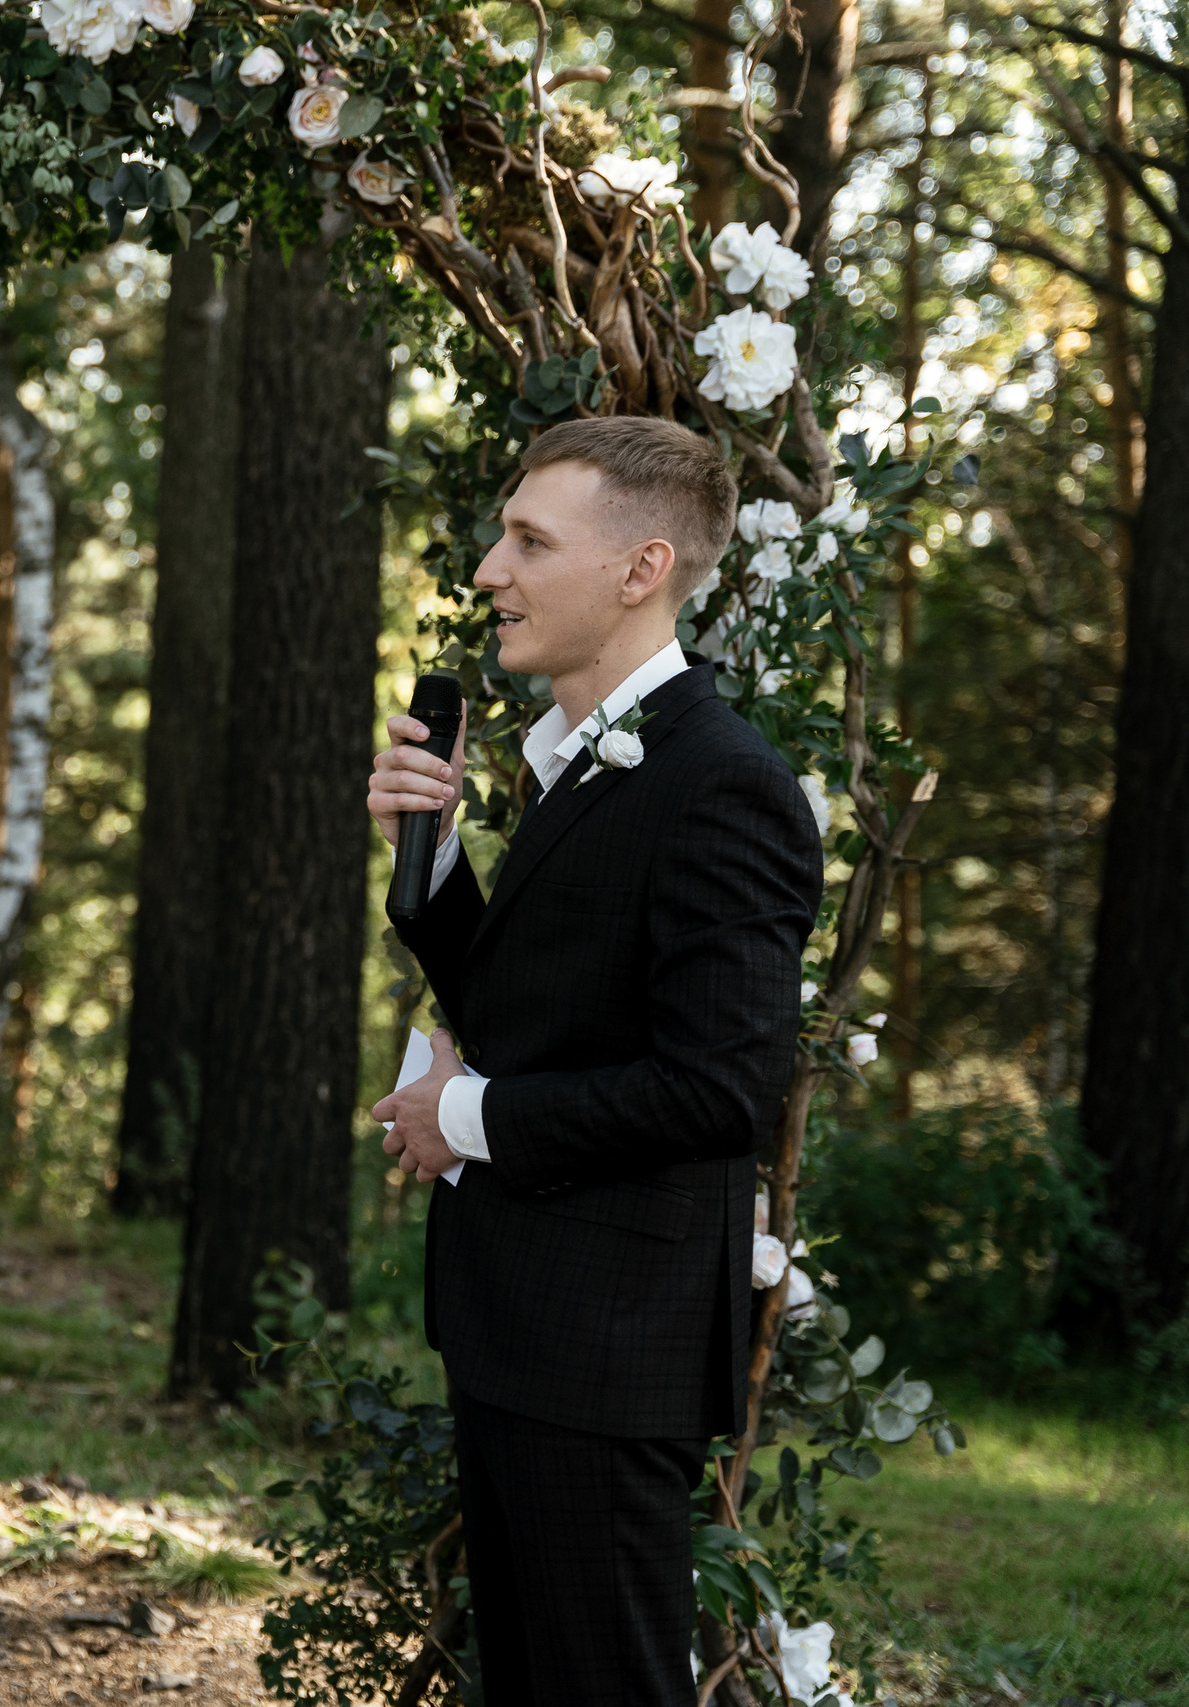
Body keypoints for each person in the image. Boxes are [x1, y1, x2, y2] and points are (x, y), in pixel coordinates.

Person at [364, 417, 821, 1705]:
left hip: (608, 1348)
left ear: (641, 569)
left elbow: (722, 1087)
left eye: (528, 541)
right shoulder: (580, 767)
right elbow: (548, 1010)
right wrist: (435, 860)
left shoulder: (722, 782)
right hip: (525, 1326)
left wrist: (474, 1115)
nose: (490, 570)